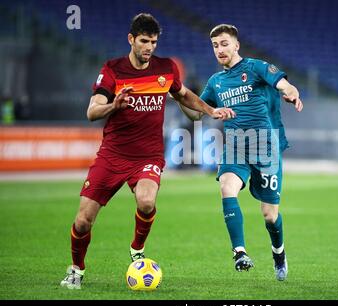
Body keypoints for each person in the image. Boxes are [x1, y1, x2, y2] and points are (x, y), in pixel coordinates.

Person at [60, 14, 235, 289]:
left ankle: (137, 249)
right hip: (112, 155)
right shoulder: (113, 70)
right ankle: (76, 269)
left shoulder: (165, 69)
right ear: (131, 39)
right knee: (83, 221)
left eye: (153, 41)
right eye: (144, 41)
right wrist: (113, 106)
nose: (149, 47)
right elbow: (92, 111)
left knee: (146, 202)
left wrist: (211, 110)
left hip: (148, 156)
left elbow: (184, 95)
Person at [178, 24, 302, 281]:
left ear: (236, 45)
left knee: (269, 215)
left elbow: (285, 85)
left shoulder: (256, 67)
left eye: (224, 44)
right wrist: (179, 96)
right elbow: (195, 112)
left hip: (265, 146)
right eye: (215, 46)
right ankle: (240, 252)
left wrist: (291, 94)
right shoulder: (216, 82)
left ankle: (278, 252)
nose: (220, 49)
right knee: (226, 187)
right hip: (235, 146)